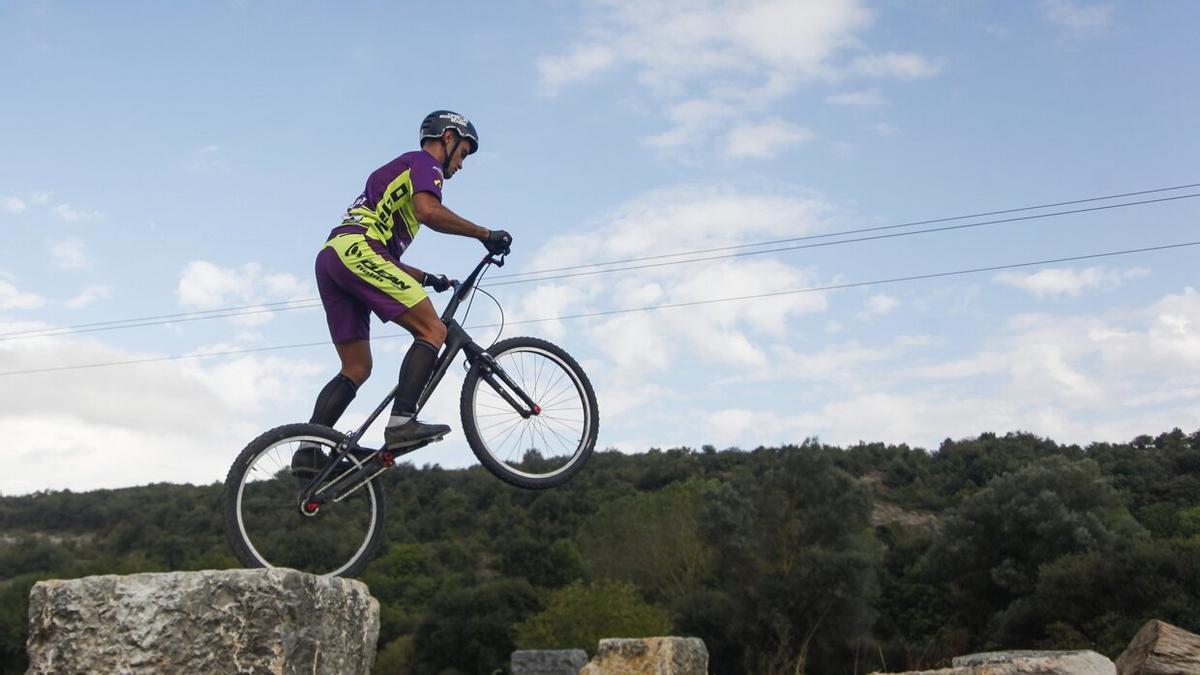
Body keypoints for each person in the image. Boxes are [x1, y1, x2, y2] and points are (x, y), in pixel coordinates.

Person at [294, 110, 511, 478]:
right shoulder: (425, 165)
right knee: (432, 330)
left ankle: (309, 450)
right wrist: (485, 234)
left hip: (336, 256)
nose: (461, 164)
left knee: (357, 368)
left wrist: (429, 278)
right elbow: (429, 212)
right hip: (357, 250)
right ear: (447, 138)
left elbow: (384, 258)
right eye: (463, 153)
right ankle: (402, 421)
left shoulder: (401, 178)